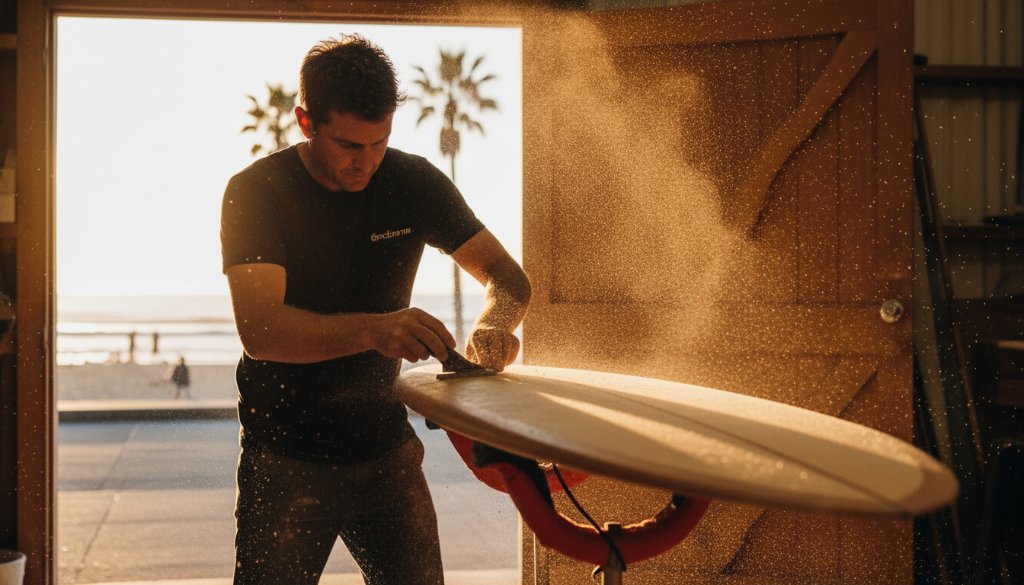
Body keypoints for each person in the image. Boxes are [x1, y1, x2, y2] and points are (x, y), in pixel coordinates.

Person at [220, 34, 530, 585]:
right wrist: (376, 331)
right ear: (305, 121)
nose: (366, 162)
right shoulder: (256, 191)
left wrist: (495, 323)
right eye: (348, 145)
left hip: (387, 450)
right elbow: (262, 331)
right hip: (286, 459)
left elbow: (507, 278)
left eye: (380, 142)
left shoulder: (411, 181)